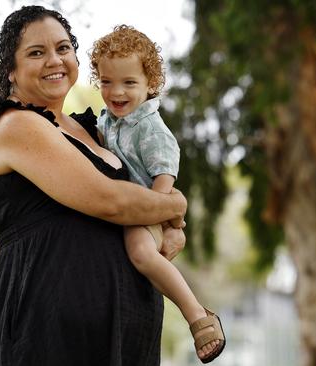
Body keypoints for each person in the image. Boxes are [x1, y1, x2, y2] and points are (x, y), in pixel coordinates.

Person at [0, 6, 189, 366]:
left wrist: (169, 228)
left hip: (121, 332)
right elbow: (113, 201)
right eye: (36, 52)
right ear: (10, 69)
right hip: (47, 333)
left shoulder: (93, 130)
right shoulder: (17, 125)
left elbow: (143, 190)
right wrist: (178, 208)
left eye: (63, 48)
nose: (54, 60)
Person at [89, 25, 226, 363]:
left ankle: (198, 314)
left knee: (140, 251)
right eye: (106, 82)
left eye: (129, 83)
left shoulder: (152, 131)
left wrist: (166, 223)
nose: (116, 92)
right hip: (128, 208)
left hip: (146, 208)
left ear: (151, 84)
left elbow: (164, 184)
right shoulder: (109, 121)